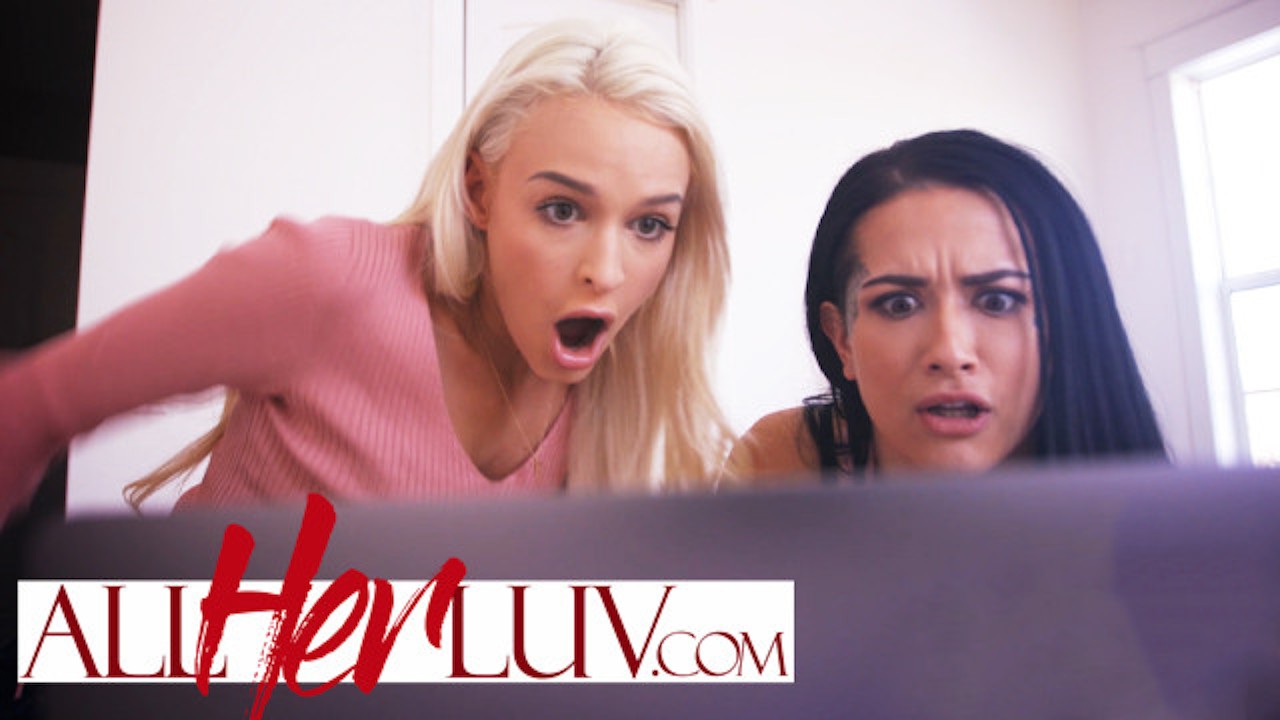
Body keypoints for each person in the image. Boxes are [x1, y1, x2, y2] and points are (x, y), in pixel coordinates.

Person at [0, 20, 735, 522]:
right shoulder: (330, 279)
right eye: (562, 210)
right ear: (479, 193)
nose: (606, 272)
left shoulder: (619, 401)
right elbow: (27, 406)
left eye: (649, 225)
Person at [734, 129, 1166, 479]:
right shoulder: (778, 464)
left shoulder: (1153, 524)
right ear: (841, 338)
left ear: (1067, 325)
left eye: (997, 301)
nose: (950, 352)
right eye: (899, 305)